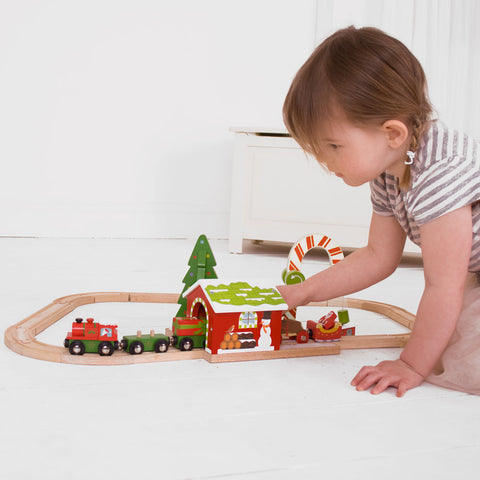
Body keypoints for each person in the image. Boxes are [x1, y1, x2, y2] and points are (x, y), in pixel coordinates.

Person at [276, 26, 480, 397]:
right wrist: (302, 293)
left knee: (463, 354)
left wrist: (411, 364)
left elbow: (443, 285)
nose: (324, 160)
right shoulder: (390, 169)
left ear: (392, 133)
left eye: (334, 146)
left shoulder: (439, 171)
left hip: (463, 277)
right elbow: (377, 257)